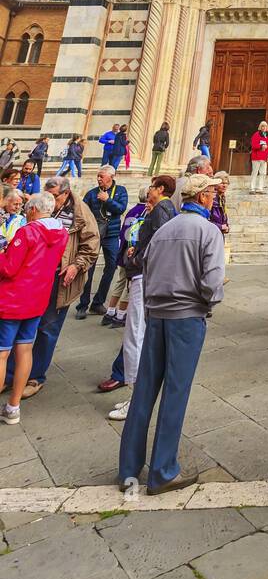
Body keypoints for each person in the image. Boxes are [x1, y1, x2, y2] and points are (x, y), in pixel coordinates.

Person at [118, 174, 225, 494]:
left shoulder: (163, 229)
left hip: (155, 316)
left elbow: (143, 269)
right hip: (186, 319)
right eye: (212, 194)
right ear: (204, 198)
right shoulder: (209, 231)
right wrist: (208, 301)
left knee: (144, 391)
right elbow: (212, 284)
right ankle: (163, 471)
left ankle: (128, 470)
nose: (214, 199)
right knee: (175, 393)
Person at [5, 175, 99, 397]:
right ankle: (11, 375)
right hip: (35, 280)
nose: (50, 198)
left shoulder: (80, 211)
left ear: (66, 194)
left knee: (48, 328)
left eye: (55, 195)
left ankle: (36, 377)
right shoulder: (44, 207)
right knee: (21, 329)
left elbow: (92, 245)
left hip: (61, 279)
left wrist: (77, 265)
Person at [100, 176, 178, 416]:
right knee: (137, 332)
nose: (149, 191)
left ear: (160, 189)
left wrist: (135, 259)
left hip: (145, 276)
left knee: (136, 333)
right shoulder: (159, 210)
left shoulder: (162, 211)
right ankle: (136, 394)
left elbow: (160, 244)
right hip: (145, 274)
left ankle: (136, 398)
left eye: (153, 187)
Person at [0, 192, 69, 424]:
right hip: (37, 298)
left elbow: (9, 268)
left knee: (2, 354)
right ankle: (13, 406)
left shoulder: (27, 231)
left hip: (13, 299)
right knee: (25, 350)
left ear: (32, 210)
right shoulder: (61, 233)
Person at [78, 168, 128, 318]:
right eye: (98, 176)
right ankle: (83, 304)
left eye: (102, 176)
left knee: (111, 266)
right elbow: (83, 212)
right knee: (89, 269)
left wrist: (108, 200)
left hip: (112, 235)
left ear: (111, 177)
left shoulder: (120, 191)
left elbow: (121, 209)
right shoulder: (92, 193)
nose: (99, 178)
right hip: (94, 235)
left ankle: (98, 302)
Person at [102, 183, 150, 328]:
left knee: (120, 282)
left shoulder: (132, 210)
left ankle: (110, 312)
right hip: (132, 253)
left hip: (123, 250)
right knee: (130, 286)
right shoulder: (146, 213)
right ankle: (121, 314)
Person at [249, 121, 268, 193]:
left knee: (263, 173)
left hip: (264, 158)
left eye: (265, 126)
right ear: (260, 127)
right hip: (256, 157)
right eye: (263, 126)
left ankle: (260, 188)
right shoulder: (256, 135)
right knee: (255, 172)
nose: (264, 128)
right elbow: (253, 145)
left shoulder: (267, 136)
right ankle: (252, 188)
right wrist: (261, 146)